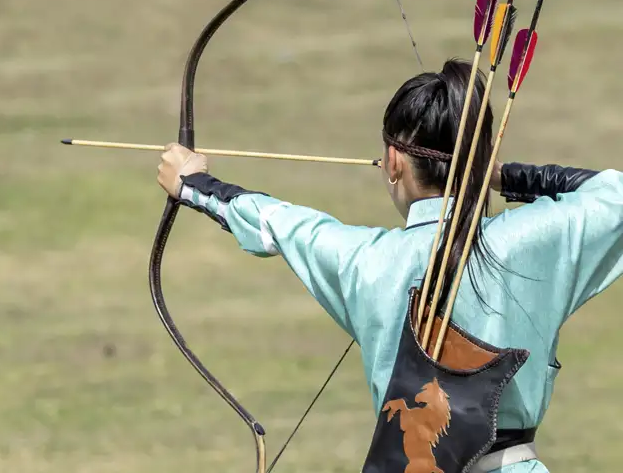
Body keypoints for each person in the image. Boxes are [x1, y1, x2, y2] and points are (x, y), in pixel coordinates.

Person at [155, 58, 623, 472]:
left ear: (394, 161)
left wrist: (193, 183)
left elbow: (277, 222)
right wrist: (501, 174)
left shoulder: (368, 262)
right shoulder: (535, 239)